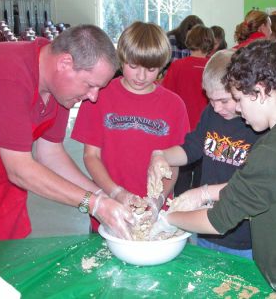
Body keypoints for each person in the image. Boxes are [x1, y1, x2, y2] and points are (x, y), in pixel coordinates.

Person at [150, 40, 276, 298]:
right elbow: (260, 188)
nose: (237, 108)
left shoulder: (273, 151)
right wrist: (202, 193)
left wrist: (165, 218)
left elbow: (218, 220)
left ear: (259, 91)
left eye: (238, 99)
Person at [0, 24, 135, 241]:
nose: (93, 97)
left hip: (3, 193)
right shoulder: (8, 75)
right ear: (65, 63)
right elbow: (20, 170)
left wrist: (105, 196)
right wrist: (94, 204)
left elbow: (50, 154)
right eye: (90, 85)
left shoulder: (58, 89)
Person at [71, 22, 190, 233]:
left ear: (163, 66)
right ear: (121, 59)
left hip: (156, 216)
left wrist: (158, 200)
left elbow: (173, 164)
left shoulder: (174, 105)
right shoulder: (98, 96)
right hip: (109, 208)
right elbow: (91, 156)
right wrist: (116, 193)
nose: (141, 76)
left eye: (151, 69)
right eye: (133, 66)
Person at [148, 49, 265, 258]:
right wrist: (162, 155)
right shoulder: (212, 113)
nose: (217, 108)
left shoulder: (258, 127)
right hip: (205, 229)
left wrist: (202, 193)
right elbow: (192, 148)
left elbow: (254, 186)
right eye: (211, 100)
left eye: (224, 101)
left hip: (243, 237)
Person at [162, 24, 214, 196]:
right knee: (202, 180)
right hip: (207, 133)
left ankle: (179, 210)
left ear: (189, 41)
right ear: (211, 43)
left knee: (181, 179)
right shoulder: (212, 69)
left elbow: (166, 97)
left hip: (182, 134)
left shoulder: (177, 67)